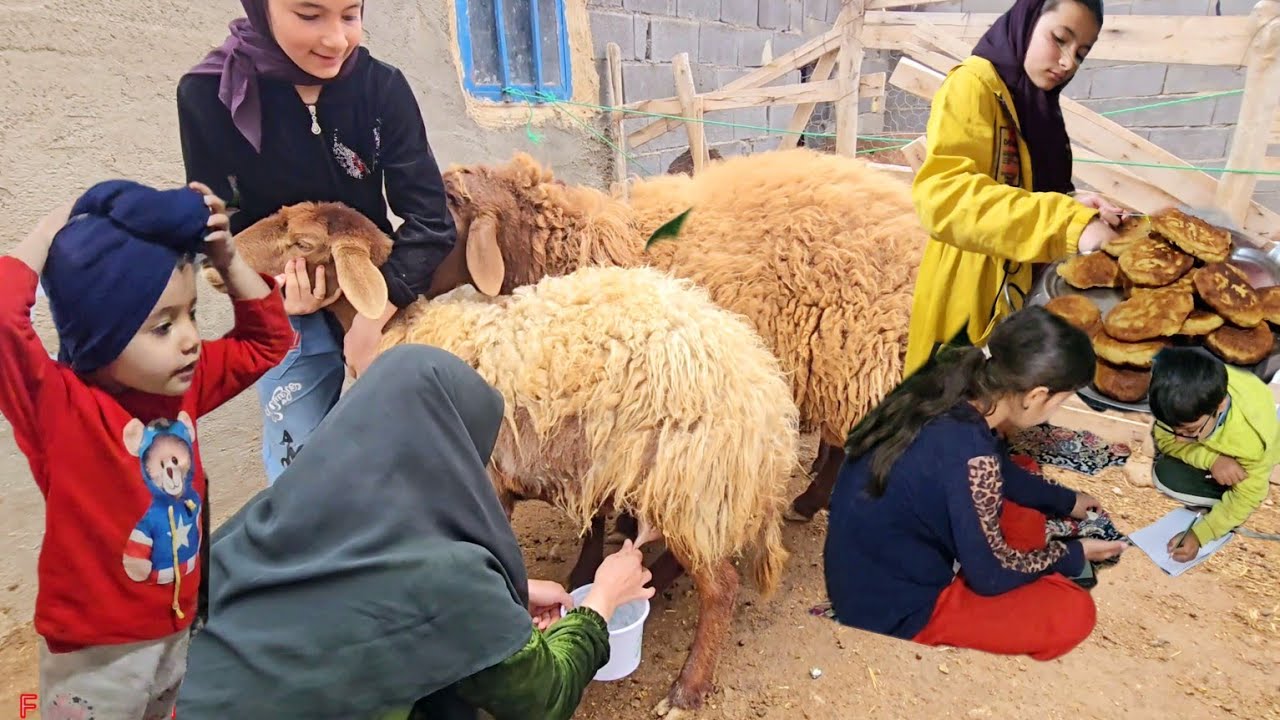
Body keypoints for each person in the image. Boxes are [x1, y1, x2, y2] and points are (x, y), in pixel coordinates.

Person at [176, 344, 656, 720]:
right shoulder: (447, 580)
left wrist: (506, 595)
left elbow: (357, 596)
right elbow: (541, 698)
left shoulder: (285, 507)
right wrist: (604, 600)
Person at [0, 180, 292, 718]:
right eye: (162, 326)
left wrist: (227, 257)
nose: (189, 340)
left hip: (175, 626)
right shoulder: (59, 408)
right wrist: (50, 228)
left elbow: (268, 341)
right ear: (100, 335)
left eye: (192, 316)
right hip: (97, 651)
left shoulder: (184, 383)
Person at [177, 0, 458, 485]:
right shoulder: (208, 94)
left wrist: (377, 311)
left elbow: (430, 222)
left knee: (409, 457)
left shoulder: (381, 89)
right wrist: (278, 286)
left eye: (350, 15)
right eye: (310, 16)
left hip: (376, 286)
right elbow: (217, 218)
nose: (336, 39)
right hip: (286, 305)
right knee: (300, 469)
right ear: (263, 10)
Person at [823, 307, 1128, 661]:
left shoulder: (952, 385)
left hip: (861, 569)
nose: (1056, 410)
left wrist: (1066, 500)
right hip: (893, 607)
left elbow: (999, 471)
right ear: (1035, 395)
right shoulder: (972, 453)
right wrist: (1073, 554)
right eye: (1061, 400)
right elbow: (991, 575)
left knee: (1023, 488)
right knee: (1073, 612)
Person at [905, 0, 1123, 376]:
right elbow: (945, 197)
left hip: (1019, 301)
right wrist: (1069, 223)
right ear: (1027, 20)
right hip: (969, 301)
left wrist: (1071, 201)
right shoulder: (974, 86)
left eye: (1081, 54)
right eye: (1059, 39)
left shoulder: (1035, 103)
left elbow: (1021, 185)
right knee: (948, 415)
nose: (1068, 62)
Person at [1148, 348, 1279, 562]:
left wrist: (1200, 535)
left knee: (1177, 479)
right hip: (1224, 431)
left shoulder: (1253, 443)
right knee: (1166, 470)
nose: (1180, 439)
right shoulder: (1182, 395)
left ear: (1220, 405)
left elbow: (1247, 497)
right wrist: (1213, 459)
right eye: (1174, 429)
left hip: (1252, 444)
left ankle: (1218, 494)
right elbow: (1165, 440)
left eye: (1190, 431)